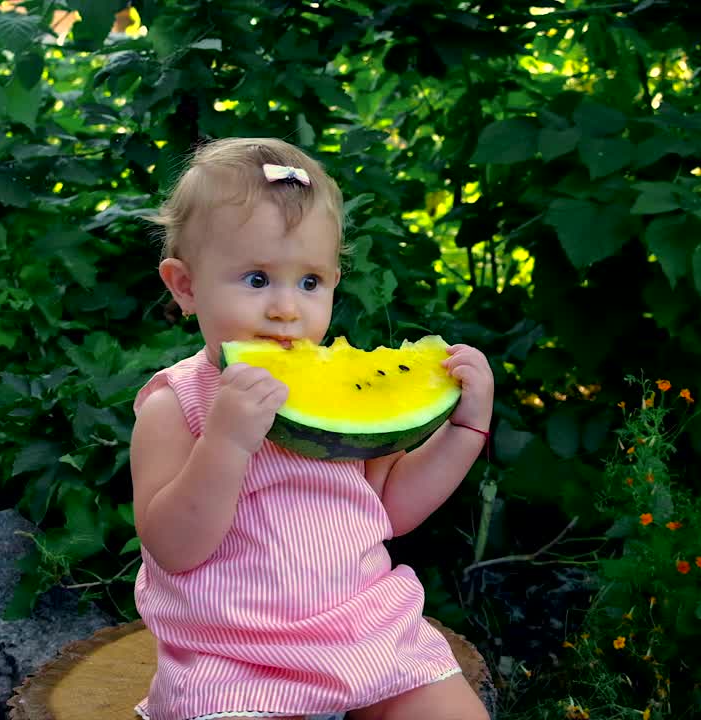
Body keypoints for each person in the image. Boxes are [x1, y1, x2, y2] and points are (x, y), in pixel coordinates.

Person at [129, 137, 494, 720]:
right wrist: (225, 442)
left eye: (309, 283)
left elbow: (390, 506)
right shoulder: (176, 404)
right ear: (185, 286)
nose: (285, 309)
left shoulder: (344, 406)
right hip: (235, 658)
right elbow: (171, 547)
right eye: (256, 280)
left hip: (366, 632)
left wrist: (464, 431)